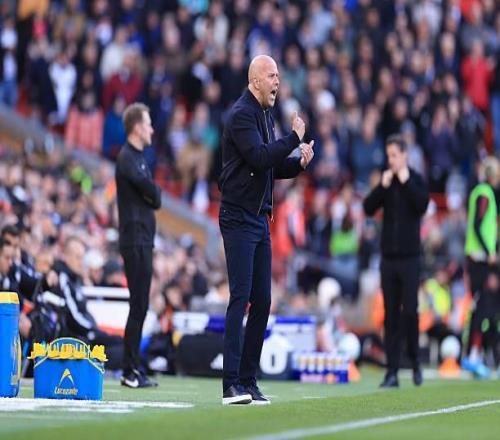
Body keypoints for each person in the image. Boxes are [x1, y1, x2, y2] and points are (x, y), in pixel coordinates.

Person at [218, 54, 314, 405]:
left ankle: (248, 380)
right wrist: (293, 138)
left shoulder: (263, 114)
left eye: (278, 76)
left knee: (263, 301)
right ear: (255, 80)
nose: (277, 82)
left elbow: (269, 168)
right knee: (240, 297)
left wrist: (298, 163)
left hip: (259, 218)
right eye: (272, 76)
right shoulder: (242, 114)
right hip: (238, 216)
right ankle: (230, 384)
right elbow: (259, 157)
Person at [363, 134, 429, 388]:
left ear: (404, 155)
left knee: (410, 311)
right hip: (388, 259)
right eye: (388, 155)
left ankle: (414, 361)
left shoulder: (416, 179)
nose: (390, 160)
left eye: (394, 155)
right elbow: (368, 208)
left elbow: (422, 205)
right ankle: (392, 372)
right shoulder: (387, 181)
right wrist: (381, 186)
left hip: (410, 259)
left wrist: (406, 181)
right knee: (390, 315)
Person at [115, 102, 161, 388]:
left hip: (143, 238)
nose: (152, 129)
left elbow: (155, 198)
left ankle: (133, 367)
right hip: (135, 239)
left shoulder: (139, 158)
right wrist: (152, 193)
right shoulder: (127, 158)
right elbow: (152, 193)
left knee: (141, 304)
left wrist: (153, 193)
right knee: (138, 304)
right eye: (148, 123)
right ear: (136, 127)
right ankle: (129, 370)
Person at [461, 156, 499, 378]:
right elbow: (477, 224)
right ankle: (472, 356)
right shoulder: (484, 193)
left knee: (482, 307)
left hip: (478, 258)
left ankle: (475, 356)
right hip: (479, 259)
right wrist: (489, 251)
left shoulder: (481, 192)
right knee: (481, 306)